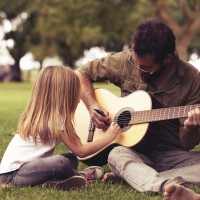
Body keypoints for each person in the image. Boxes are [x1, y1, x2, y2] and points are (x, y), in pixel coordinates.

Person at [75, 17, 200, 198]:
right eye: (136, 64)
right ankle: (158, 182)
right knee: (116, 155)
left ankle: (136, 176)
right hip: (132, 151)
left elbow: (187, 143)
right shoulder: (125, 60)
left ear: (167, 58)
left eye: (146, 68)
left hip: (172, 155)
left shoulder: (193, 80)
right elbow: (81, 73)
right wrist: (92, 104)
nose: (139, 71)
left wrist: (191, 128)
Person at [0, 66, 121, 190]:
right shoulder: (57, 120)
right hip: (13, 176)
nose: (79, 99)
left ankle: (59, 179)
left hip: (19, 171)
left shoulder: (45, 116)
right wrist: (108, 138)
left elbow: (76, 151)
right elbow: (81, 151)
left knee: (71, 159)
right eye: (75, 93)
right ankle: (81, 177)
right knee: (61, 162)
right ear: (65, 95)